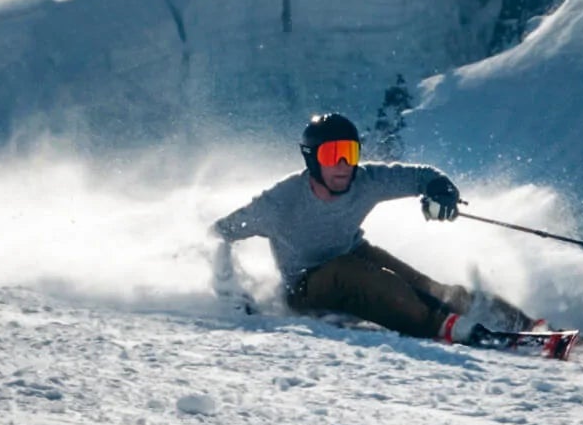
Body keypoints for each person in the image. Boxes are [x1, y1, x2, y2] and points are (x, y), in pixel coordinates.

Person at [210, 112, 533, 343]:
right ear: (312, 160)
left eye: (349, 153)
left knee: (425, 285)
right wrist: (233, 292)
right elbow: (221, 232)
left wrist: (440, 190)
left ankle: (525, 327)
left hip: (352, 253)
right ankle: (449, 327)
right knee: (365, 276)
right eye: (332, 154)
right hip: (307, 287)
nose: (342, 165)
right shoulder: (280, 202)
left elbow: (420, 176)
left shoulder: (364, 181)